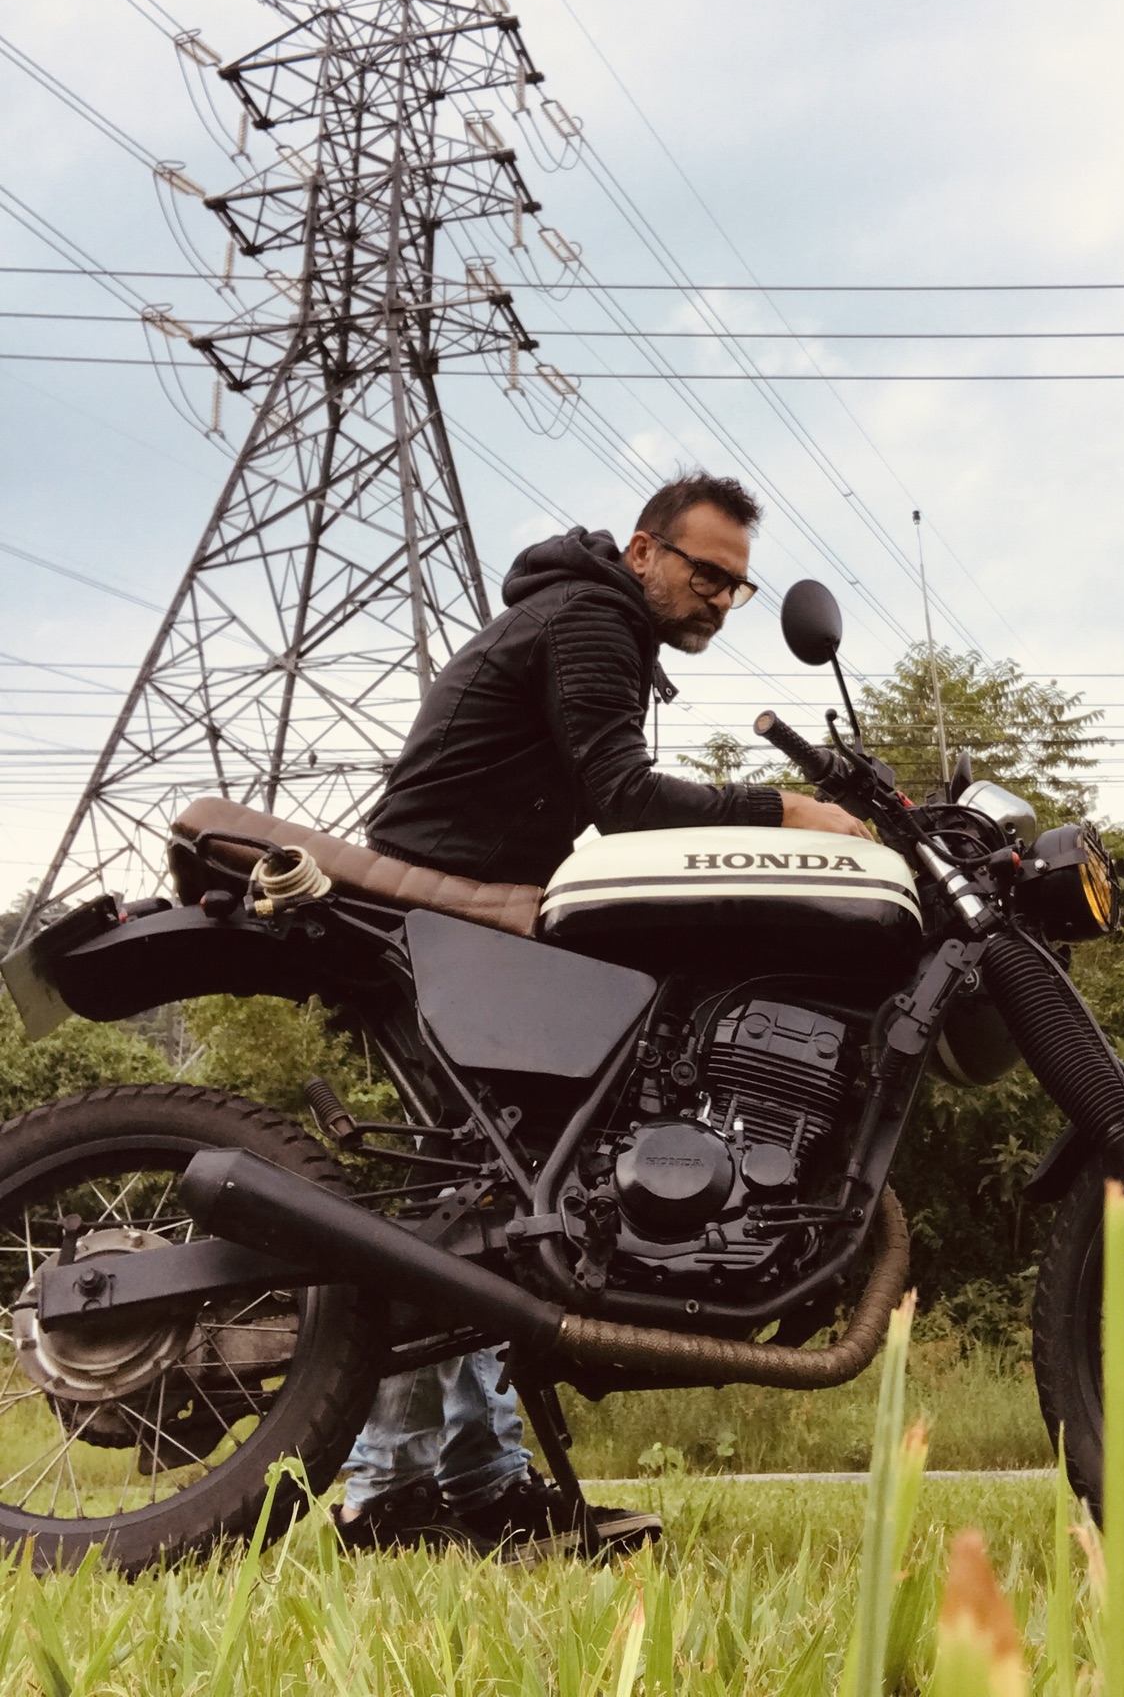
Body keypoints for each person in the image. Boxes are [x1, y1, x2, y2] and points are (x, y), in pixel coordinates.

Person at [336, 472, 868, 1555]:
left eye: (736, 585)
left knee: (511, 1192)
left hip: (467, 909)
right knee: (467, 1206)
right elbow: (624, 797)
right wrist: (787, 810)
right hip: (436, 912)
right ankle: (389, 1487)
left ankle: (477, 1477)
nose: (720, 598)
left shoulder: (590, 618)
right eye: (705, 572)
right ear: (642, 552)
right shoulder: (590, 617)